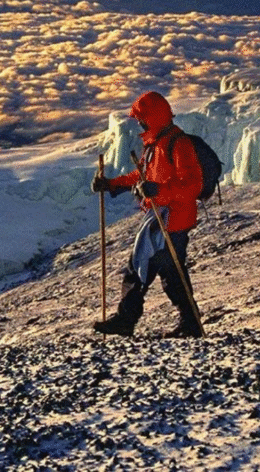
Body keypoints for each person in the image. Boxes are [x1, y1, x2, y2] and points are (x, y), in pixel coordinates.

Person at [91, 91, 205, 338]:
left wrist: (159, 190)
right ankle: (187, 323)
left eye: (142, 119)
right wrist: (111, 184)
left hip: (174, 219)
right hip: (160, 217)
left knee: (147, 267)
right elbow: (140, 177)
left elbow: (193, 184)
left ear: (153, 118)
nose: (140, 124)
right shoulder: (156, 144)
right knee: (167, 271)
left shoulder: (178, 143)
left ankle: (128, 319)